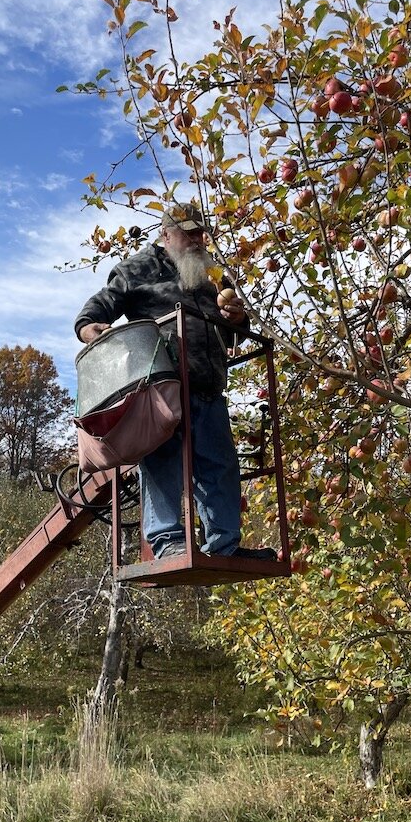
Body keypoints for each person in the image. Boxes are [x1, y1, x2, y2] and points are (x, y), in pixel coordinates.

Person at [75, 202, 276, 561]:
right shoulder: (139, 268)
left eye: (201, 232)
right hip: (161, 385)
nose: (198, 239)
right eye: (189, 232)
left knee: (219, 464)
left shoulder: (213, 275)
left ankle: (223, 545)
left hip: (208, 384)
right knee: (164, 459)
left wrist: (238, 319)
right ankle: (168, 543)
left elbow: (235, 335)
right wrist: (89, 326)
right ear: (165, 234)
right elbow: (99, 308)